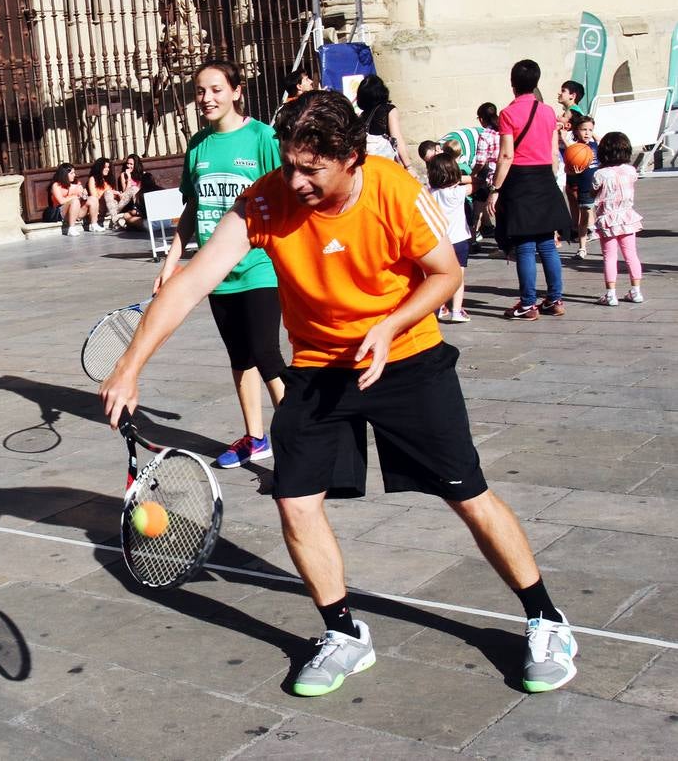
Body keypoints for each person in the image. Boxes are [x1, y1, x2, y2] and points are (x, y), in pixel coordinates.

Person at [101, 89, 578, 698]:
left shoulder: (393, 190)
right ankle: (344, 633)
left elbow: (446, 274)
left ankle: (545, 619)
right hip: (319, 371)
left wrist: (388, 326)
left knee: (467, 493)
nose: (294, 180)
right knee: (295, 501)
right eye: (288, 163)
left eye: (311, 168)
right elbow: (191, 282)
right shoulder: (267, 201)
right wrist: (130, 365)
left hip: (407, 360)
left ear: (351, 157)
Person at [155, 59, 285, 469]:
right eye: (200, 91)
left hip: (261, 265)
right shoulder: (198, 145)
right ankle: (256, 437)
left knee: (266, 353)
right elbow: (192, 207)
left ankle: (301, 438)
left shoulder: (263, 137)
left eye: (215, 89)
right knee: (240, 357)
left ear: (236, 91)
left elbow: (287, 197)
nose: (206, 98)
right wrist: (173, 259)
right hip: (215, 272)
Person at [486, 60, 572, 320]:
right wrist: (552, 177)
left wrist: (495, 188)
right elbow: (552, 151)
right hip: (545, 177)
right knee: (547, 244)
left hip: (520, 180)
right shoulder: (547, 112)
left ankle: (527, 304)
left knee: (524, 246)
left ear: (513, 84)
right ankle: (555, 300)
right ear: (536, 83)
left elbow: (506, 154)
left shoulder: (508, 114)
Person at [592, 131, 644, 305]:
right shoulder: (631, 170)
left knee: (609, 257)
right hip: (627, 216)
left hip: (608, 218)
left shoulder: (600, 174)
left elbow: (593, 192)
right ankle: (636, 291)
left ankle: (611, 294)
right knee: (631, 255)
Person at [427, 151, 473, 322]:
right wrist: (459, 178)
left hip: (438, 241)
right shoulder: (459, 192)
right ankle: (457, 310)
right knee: (458, 276)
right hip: (459, 240)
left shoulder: (429, 192)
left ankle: (439, 307)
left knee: (438, 275)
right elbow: (474, 183)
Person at [355, 74, 416, 176]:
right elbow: (397, 138)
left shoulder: (362, 116)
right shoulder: (388, 109)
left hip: (368, 167)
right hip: (386, 164)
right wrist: (408, 166)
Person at [565, 115, 599, 259]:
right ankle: (582, 247)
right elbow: (567, 170)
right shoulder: (574, 149)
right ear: (576, 131)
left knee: (602, 216)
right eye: (583, 129)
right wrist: (573, 171)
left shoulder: (596, 146)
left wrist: (594, 133)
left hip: (599, 187)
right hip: (584, 188)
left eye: (590, 130)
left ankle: (607, 242)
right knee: (584, 217)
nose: (587, 133)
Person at [470, 102, 500, 242]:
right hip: (508, 175)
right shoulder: (504, 130)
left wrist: (472, 174)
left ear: (481, 119)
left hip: (492, 176)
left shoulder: (485, 135)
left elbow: (481, 161)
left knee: (479, 206)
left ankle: (474, 237)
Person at [49, 162, 103, 236]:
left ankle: (94, 224)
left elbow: (82, 197)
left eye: (74, 173)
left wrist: (84, 195)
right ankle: (71, 228)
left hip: (76, 211)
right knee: (75, 201)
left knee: (93, 199)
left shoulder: (76, 182)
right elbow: (61, 201)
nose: (74, 175)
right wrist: (74, 197)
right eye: (71, 173)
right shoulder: (56, 185)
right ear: (64, 174)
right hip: (62, 213)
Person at [87, 157, 127, 229]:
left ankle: (140, 213)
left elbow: (112, 198)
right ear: (99, 168)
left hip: (113, 207)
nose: (107, 169)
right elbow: (94, 198)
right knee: (108, 192)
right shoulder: (92, 179)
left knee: (133, 189)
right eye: (105, 167)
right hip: (102, 208)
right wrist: (109, 192)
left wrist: (118, 195)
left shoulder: (108, 180)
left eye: (108, 167)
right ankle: (115, 222)